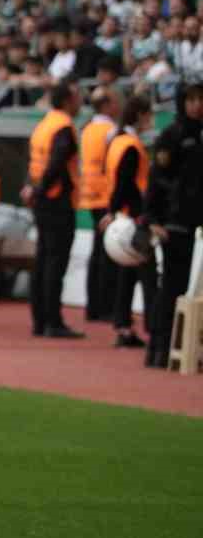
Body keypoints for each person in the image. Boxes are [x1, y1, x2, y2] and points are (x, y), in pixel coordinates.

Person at [142, 78, 203, 369]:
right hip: (174, 225)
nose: (197, 105)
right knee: (171, 288)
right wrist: (152, 219)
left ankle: (188, 348)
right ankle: (158, 347)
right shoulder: (171, 135)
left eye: (200, 99)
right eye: (191, 99)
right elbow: (156, 181)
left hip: (198, 228)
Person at [23, 81, 84, 338]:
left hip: (42, 199)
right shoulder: (63, 127)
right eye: (78, 96)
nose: (81, 101)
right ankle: (52, 321)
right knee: (55, 262)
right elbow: (57, 163)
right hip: (56, 201)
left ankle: (40, 320)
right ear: (68, 99)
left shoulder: (43, 124)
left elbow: (35, 162)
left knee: (43, 258)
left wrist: (32, 188)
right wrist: (39, 189)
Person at [103, 96, 157, 350]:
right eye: (149, 114)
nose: (152, 120)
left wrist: (112, 210)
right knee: (147, 273)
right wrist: (114, 211)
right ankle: (154, 328)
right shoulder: (132, 146)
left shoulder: (117, 141)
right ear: (140, 115)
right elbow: (127, 183)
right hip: (135, 217)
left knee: (127, 274)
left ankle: (123, 326)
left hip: (123, 214)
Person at [78, 86, 121, 322]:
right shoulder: (110, 130)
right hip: (106, 195)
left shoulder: (87, 129)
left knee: (97, 253)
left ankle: (93, 306)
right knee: (107, 253)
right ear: (106, 105)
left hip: (90, 194)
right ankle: (104, 306)